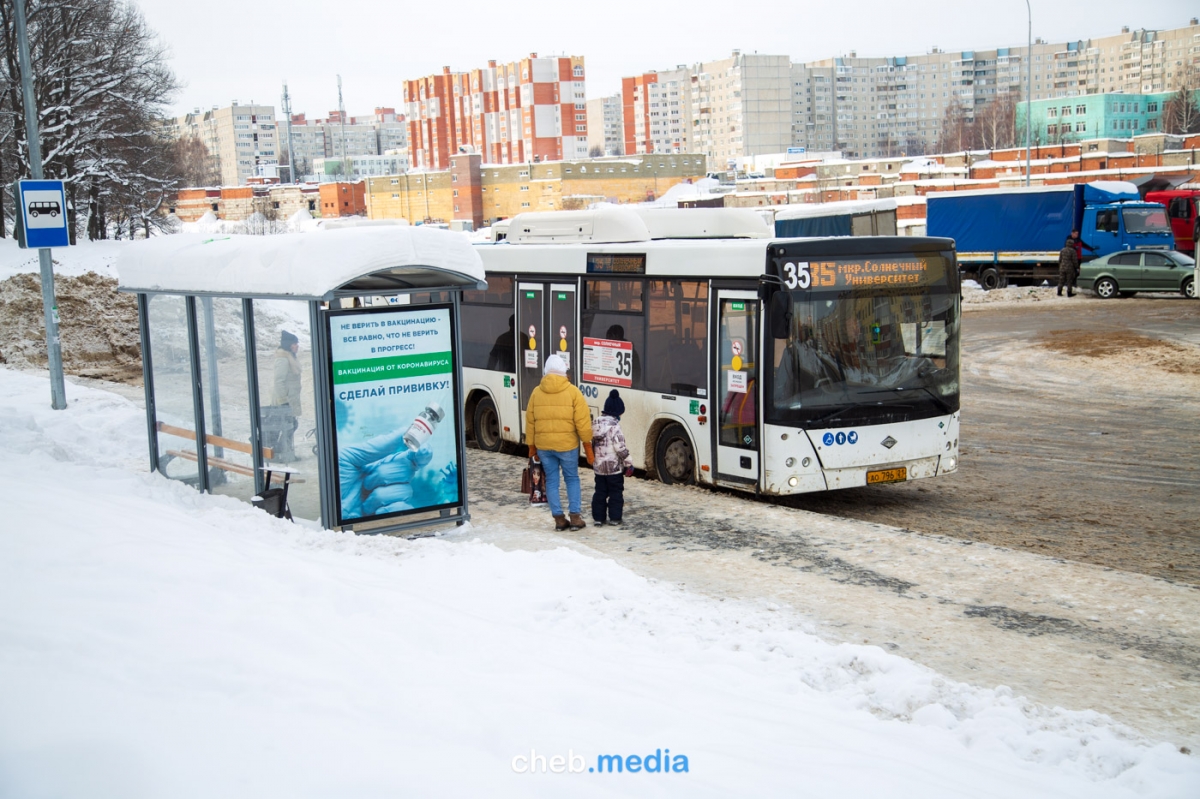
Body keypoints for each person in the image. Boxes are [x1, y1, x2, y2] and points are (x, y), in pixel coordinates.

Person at [526, 353, 594, 531]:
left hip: (544, 447)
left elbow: (530, 421)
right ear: (564, 371)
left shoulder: (535, 393)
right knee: (571, 478)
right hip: (567, 446)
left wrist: (532, 447)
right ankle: (575, 518)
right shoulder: (573, 392)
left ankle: (558, 519)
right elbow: (583, 421)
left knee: (552, 481)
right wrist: (587, 445)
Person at [591, 390, 634, 526]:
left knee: (600, 492)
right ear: (617, 412)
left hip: (599, 468)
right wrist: (629, 463)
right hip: (614, 469)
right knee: (616, 493)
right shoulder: (615, 426)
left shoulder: (595, 423)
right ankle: (615, 518)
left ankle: (598, 518)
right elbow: (620, 448)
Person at [272, 331, 303, 460]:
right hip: (285, 401)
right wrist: (283, 401)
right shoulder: (283, 359)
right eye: (295, 344)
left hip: (291, 398)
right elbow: (278, 381)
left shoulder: (290, 357)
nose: (297, 346)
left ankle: (284, 450)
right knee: (289, 426)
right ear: (288, 345)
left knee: (291, 425)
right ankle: (283, 452)